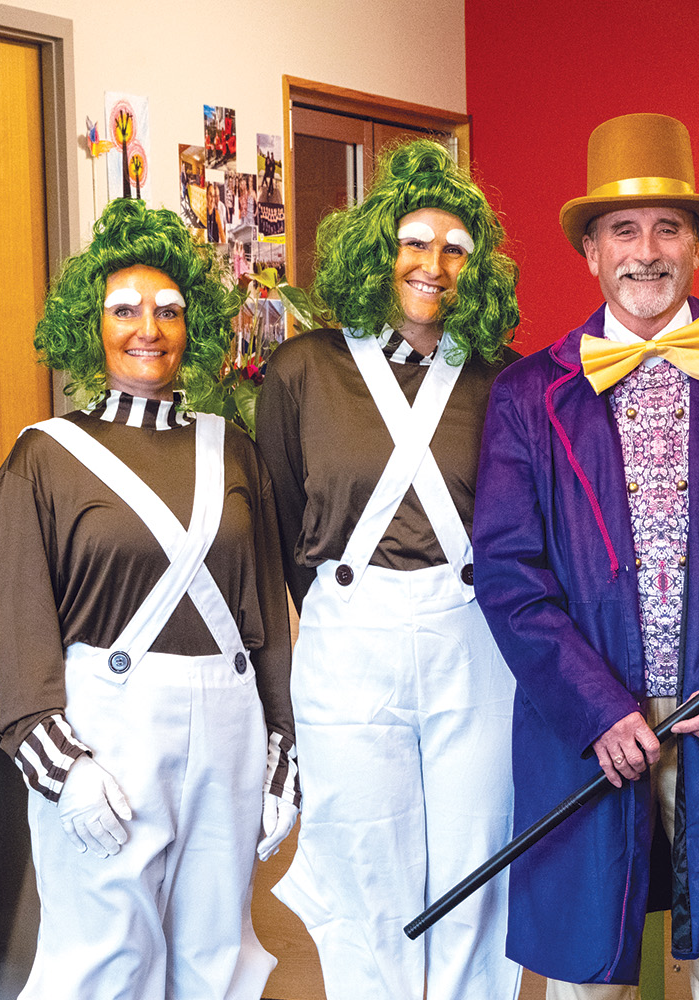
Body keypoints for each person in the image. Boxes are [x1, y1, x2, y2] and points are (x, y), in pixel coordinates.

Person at [473, 112, 699, 999]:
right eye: (624, 231)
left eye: (669, 228)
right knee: (589, 976)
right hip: (590, 726)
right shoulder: (529, 394)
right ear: (591, 255)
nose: (648, 251)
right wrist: (596, 708)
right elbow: (510, 575)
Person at [0, 198, 298, 1000]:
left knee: (217, 960)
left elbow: (267, 613)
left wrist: (283, 751)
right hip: (104, 739)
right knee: (104, 965)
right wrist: (61, 768)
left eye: (168, 310)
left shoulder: (232, 446)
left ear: (191, 324)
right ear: (89, 325)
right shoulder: (43, 457)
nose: (147, 329)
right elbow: (25, 639)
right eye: (124, 309)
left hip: (230, 729)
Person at [254, 138, 523, 999]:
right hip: (347, 631)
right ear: (378, 248)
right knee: (363, 848)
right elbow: (280, 518)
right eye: (415, 242)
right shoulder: (302, 370)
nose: (433, 264)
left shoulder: (503, 380)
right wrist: (336, 615)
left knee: (478, 853)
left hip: (475, 635)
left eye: (455, 248)